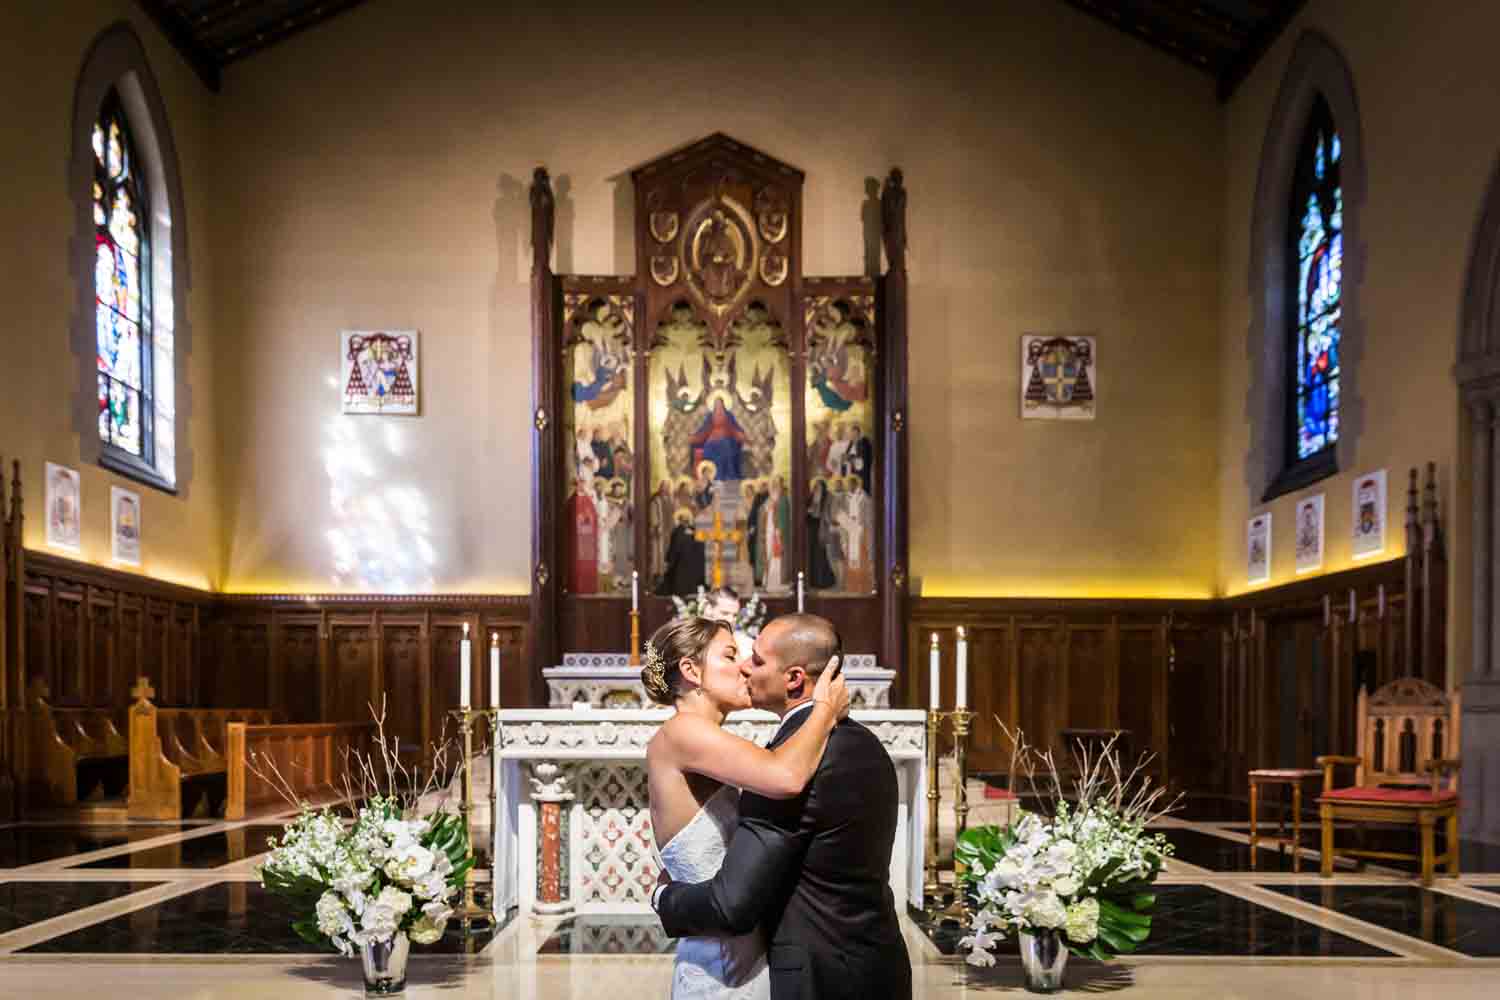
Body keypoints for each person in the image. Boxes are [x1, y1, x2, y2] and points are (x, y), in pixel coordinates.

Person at [653, 614, 912, 1000]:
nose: (743, 667)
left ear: (792, 678)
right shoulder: (864, 745)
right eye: (732, 655)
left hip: (807, 971)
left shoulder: (793, 759)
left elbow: (732, 904)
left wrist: (662, 898)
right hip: (869, 959)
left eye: (753, 659)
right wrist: (824, 710)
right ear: (691, 671)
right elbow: (784, 777)